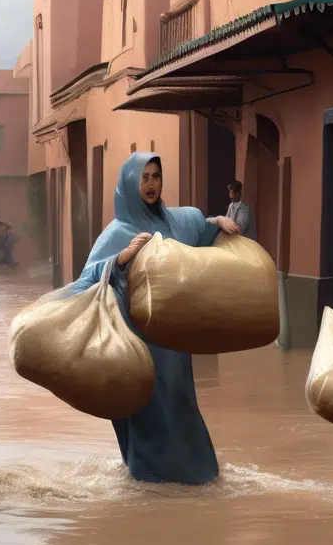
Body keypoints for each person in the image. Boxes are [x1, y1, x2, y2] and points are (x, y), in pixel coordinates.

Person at [68, 152, 241, 485]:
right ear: (131, 183)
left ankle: (196, 478)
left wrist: (217, 222)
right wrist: (122, 257)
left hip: (173, 344)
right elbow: (84, 281)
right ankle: (148, 485)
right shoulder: (117, 232)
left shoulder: (174, 222)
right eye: (144, 177)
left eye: (156, 177)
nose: (150, 184)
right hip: (135, 346)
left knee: (180, 408)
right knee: (147, 414)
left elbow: (197, 234)